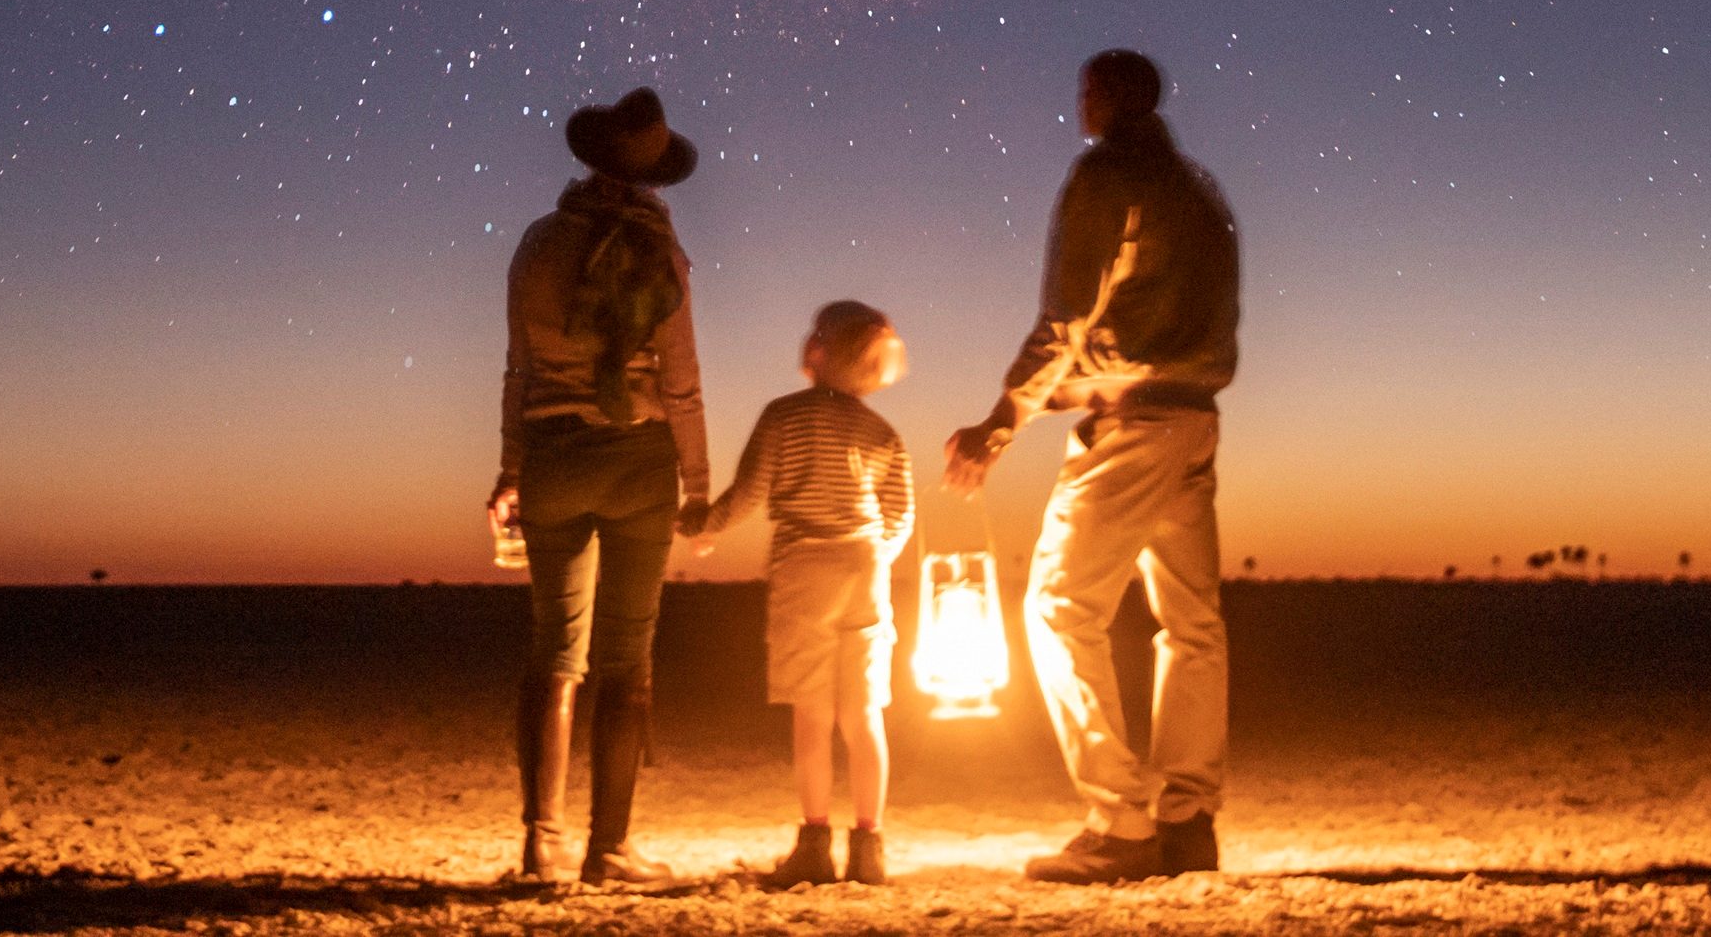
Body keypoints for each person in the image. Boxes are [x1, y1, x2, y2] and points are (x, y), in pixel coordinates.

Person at [941, 47, 1241, 882]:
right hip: (1192, 421)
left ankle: (1120, 822)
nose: (1079, 103)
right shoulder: (1201, 191)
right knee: (1191, 625)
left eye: (1084, 91)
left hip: (1133, 430)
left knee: (1057, 608)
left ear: (1106, 98)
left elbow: (1067, 317)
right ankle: (1188, 821)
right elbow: (1163, 339)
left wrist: (1002, 421)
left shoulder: (1105, 177)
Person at [490, 85, 714, 885]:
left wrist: (511, 468)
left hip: (552, 454)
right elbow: (680, 379)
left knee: (554, 653)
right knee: (625, 661)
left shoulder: (538, 242)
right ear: (652, 175)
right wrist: (696, 482)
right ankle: (609, 849)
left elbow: (518, 366)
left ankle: (538, 842)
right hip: (637, 458)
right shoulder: (662, 249)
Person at [694, 298, 915, 887]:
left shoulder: (785, 415)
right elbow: (900, 515)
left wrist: (704, 528)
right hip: (865, 568)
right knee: (863, 714)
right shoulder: (881, 431)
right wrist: (870, 557)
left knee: (813, 716)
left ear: (818, 350)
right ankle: (869, 850)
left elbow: (750, 490)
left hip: (804, 567)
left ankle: (814, 847)